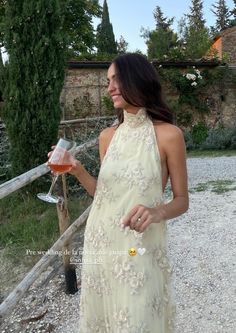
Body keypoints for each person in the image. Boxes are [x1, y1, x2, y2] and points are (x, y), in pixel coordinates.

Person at [68, 53, 189, 332]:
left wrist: (157, 211)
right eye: (108, 80)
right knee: (105, 317)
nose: (109, 87)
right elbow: (105, 196)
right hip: (101, 241)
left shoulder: (170, 135)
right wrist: (78, 172)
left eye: (116, 79)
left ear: (138, 79)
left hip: (139, 245)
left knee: (138, 319)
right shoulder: (107, 136)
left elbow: (182, 201)